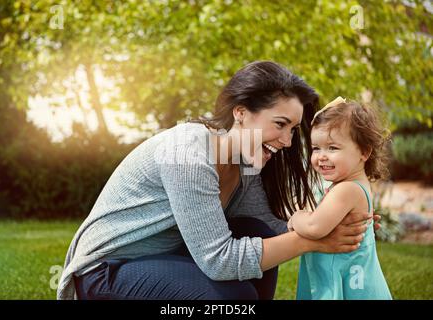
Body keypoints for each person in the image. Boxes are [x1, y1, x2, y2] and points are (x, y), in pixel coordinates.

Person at [57, 61, 379, 300]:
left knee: (256, 232)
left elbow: (272, 227)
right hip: (104, 273)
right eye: (280, 124)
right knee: (234, 301)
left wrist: (338, 222)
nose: (288, 141)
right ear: (241, 113)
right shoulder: (187, 153)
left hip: (161, 260)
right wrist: (314, 240)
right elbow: (218, 262)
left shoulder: (246, 163)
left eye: (293, 129)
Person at [287, 97, 392, 300]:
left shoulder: (347, 190)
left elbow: (314, 228)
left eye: (332, 148)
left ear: (364, 151)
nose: (321, 156)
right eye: (316, 148)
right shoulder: (354, 185)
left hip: (348, 282)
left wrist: (297, 217)